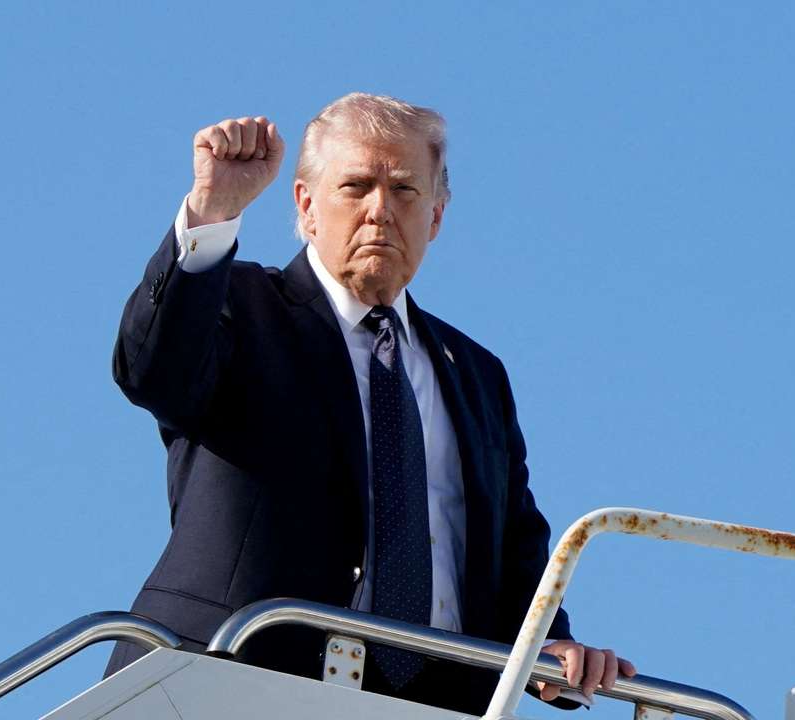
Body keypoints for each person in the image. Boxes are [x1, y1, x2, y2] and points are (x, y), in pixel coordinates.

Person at [105, 93, 633, 714]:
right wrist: (213, 210)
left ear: (436, 216)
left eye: (405, 190)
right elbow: (154, 372)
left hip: (432, 702)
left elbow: (508, 543)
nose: (379, 210)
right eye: (355, 186)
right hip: (230, 682)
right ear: (306, 206)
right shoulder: (241, 307)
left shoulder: (477, 374)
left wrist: (547, 642)